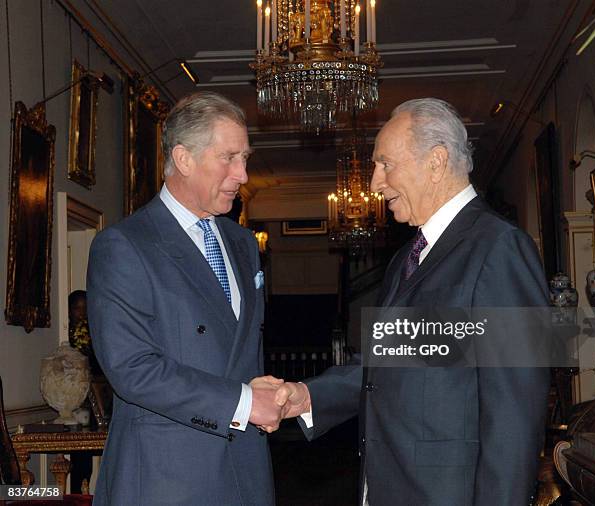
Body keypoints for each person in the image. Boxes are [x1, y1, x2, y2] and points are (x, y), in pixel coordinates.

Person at [274, 98, 551, 505]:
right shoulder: (407, 257)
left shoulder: (499, 250)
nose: (374, 183)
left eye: (385, 164)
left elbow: (514, 418)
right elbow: (386, 361)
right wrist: (308, 395)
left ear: (436, 162)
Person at [87, 91, 283, 506]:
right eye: (229, 157)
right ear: (184, 158)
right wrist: (245, 401)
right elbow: (132, 369)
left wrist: (256, 388)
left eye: (244, 157)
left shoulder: (244, 243)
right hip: (166, 479)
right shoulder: (125, 245)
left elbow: (238, 350)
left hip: (246, 471)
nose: (243, 174)